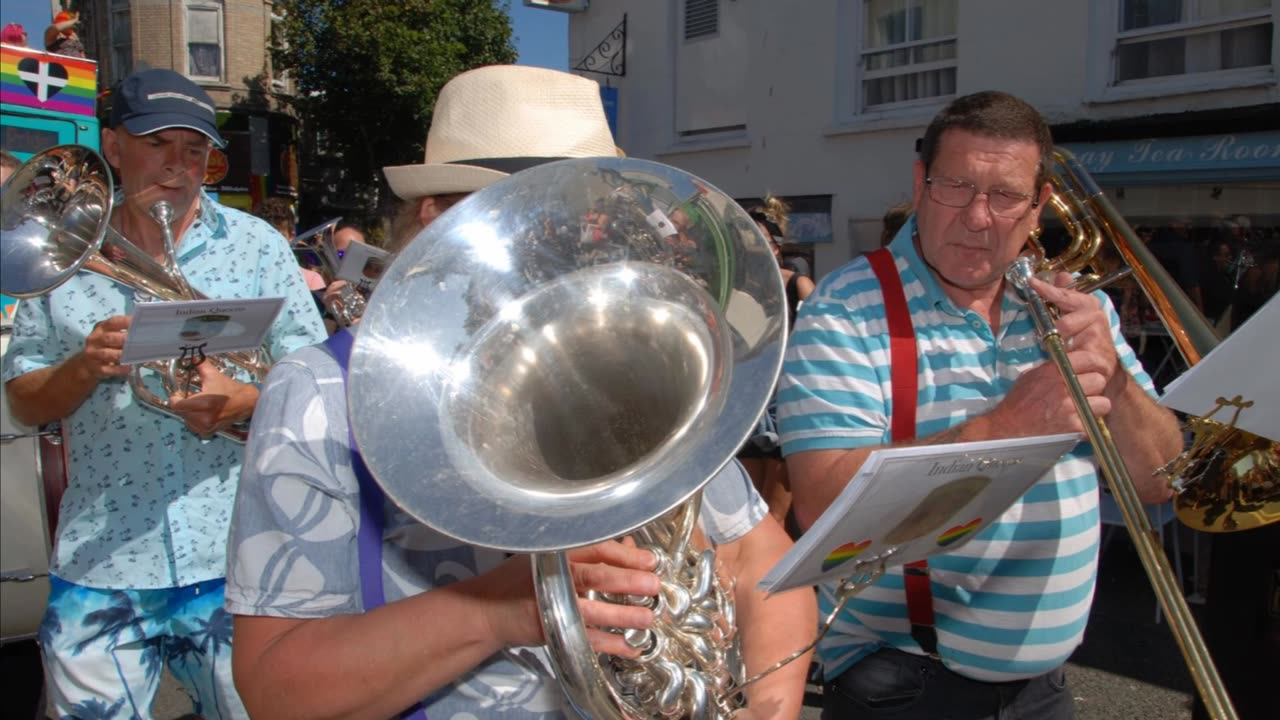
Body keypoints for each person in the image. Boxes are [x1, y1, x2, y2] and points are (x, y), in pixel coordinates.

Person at [225, 64, 817, 720]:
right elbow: (276, 688)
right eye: (534, 213)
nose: (569, 241)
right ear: (436, 219)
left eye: (583, 211)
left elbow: (758, 557)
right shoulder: (317, 392)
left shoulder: (628, 354)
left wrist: (769, 703)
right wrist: (501, 610)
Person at [777, 90, 1183, 720]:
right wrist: (1010, 425)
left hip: (1045, 687)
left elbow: (1158, 481)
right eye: (956, 187)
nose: (978, 217)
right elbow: (824, 504)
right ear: (920, 184)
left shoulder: (1077, 306)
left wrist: (1119, 387)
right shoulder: (845, 310)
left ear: (1039, 204)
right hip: (906, 682)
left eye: (1005, 196)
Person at [1, 68, 326, 719]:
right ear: (113, 146)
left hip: (237, 554)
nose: (179, 167)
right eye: (158, 144)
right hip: (105, 559)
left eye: (196, 150)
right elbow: (23, 400)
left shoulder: (255, 245)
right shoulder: (62, 258)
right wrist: (84, 366)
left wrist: (238, 399)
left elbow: (314, 373)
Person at [737, 195, 814, 535]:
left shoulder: (798, 285)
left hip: (788, 404)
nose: (754, 248)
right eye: (746, 240)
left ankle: (777, 585)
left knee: (777, 517)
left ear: (776, 246)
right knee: (749, 518)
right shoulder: (738, 287)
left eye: (761, 241)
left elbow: (819, 339)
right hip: (751, 402)